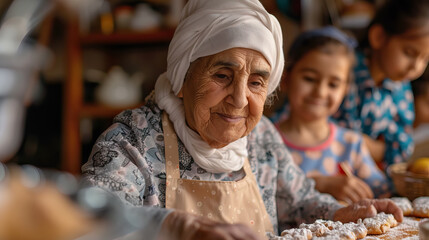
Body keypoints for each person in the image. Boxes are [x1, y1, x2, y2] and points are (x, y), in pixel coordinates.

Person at [81, 0, 403, 239]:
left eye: (256, 83)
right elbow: (89, 219)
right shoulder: (130, 140)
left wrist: (339, 212)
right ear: (182, 78)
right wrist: (176, 226)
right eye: (222, 75)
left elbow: (299, 201)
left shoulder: (262, 137)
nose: (239, 99)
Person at [273, 26, 389, 204]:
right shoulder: (266, 141)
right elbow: (258, 200)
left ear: (345, 90)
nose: (320, 92)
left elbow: (382, 194)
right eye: (309, 79)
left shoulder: (351, 144)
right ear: (286, 79)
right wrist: (317, 185)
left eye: (333, 84)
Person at [330, 0, 429, 172]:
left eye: (425, 59)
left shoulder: (400, 88)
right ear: (379, 37)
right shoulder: (343, 71)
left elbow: (403, 146)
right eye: (409, 53)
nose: (416, 67)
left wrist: (372, 147)